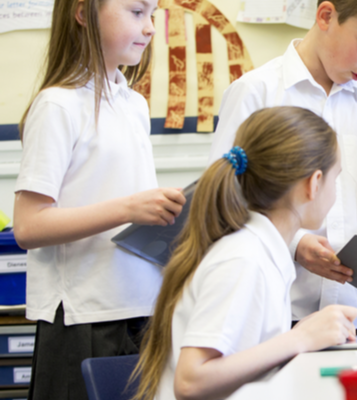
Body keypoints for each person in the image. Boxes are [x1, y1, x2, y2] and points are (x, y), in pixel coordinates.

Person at [207, 0, 357, 333]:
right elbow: (224, 196)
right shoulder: (256, 91)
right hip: (284, 310)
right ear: (325, 16)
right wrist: (293, 244)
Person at [12, 0, 186, 398]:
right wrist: (128, 208)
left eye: (152, 15)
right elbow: (29, 226)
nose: (150, 29)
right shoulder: (58, 105)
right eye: (136, 12)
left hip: (140, 311)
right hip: (83, 318)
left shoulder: (132, 103)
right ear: (82, 13)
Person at [134, 107, 357, 400]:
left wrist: (302, 334)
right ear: (314, 184)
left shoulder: (258, 249)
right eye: (335, 178)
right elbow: (191, 381)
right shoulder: (244, 259)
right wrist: (299, 338)